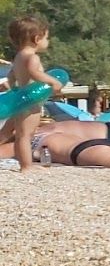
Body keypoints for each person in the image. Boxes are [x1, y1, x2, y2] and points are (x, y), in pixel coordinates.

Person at [5, 15, 64, 172]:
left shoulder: (18, 57)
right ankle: (26, 166)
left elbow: (11, 76)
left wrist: (13, 88)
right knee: (26, 135)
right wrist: (53, 82)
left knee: (19, 134)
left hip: (20, 98)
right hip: (31, 102)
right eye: (46, 37)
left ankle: (23, 164)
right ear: (37, 39)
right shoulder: (33, 57)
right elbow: (35, 73)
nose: (47, 41)